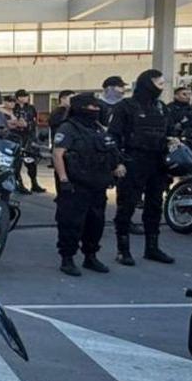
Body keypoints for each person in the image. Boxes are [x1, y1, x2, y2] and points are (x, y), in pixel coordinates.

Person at [109, 69, 177, 266]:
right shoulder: (126, 106)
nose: (162, 87)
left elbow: (171, 132)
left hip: (158, 162)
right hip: (133, 161)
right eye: (159, 83)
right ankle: (123, 250)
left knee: (155, 206)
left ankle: (152, 248)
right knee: (127, 206)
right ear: (148, 83)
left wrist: (173, 142)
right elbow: (113, 136)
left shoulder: (162, 108)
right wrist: (118, 162)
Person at [53, 92, 126, 276]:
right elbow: (58, 154)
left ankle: (90, 256)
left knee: (96, 222)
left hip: (97, 184)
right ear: (81, 108)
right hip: (75, 185)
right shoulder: (68, 128)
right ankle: (67, 258)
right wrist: (63, 180)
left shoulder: (99, 128)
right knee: (71, 223)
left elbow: (111, 150)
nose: (96, 109)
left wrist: (118, 164)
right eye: (92, 106)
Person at [10, 89, 44, 193]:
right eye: (24, 96)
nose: (26, 98)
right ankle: (19, 184)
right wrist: (16, 124)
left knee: (31, 162)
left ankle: (34, 183)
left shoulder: (30, 108)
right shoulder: (12, 108)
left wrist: (28, 125)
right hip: (16, 138)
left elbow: (34, 123)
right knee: (17, 163)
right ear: (19, 97)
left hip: (28, 138)